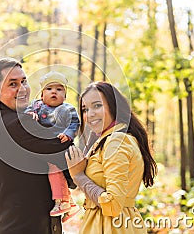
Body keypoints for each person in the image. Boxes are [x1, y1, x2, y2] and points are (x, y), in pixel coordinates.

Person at [0, 58, 74, 234]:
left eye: (24, 81)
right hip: (27, 225)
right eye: (13, 84)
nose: (22, 89)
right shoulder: (19, 123)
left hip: (9, 222)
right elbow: (65, 156)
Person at [65, 81, 157, 234]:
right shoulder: (108, 140)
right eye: (85, 109)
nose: (90, 114)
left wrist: (79, 176)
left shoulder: (116, 141)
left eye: (97, 105)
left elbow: (113, 204)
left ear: (114, 107)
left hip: (111, 227)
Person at [25, 71, 80, 220]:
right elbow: (26, 112)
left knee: (54, 169)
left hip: (61, 144)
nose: (54, 91)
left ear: (65, 95)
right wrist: (30, 115)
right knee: (50, 171)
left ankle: (61, 201)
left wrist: (68, 134)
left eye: (59, 89)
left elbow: (74, 122)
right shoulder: (37, 106)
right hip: (45, 145)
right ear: (42, 94)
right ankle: (70, 203)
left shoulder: (67, 109)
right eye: (49, 89)